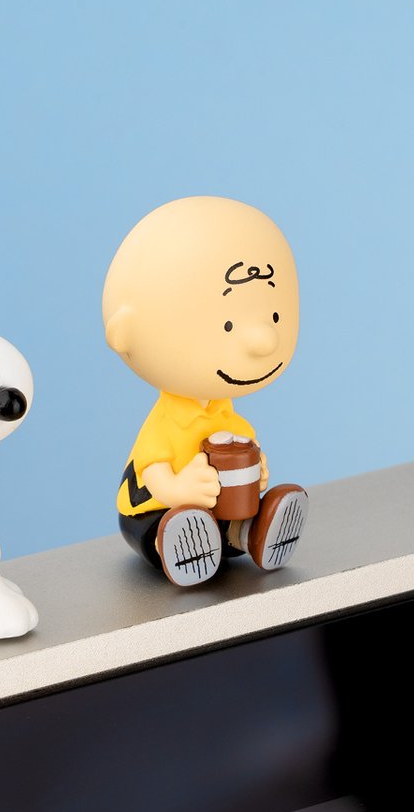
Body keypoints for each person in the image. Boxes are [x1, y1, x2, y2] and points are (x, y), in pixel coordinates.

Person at [102, 196, 308, 586]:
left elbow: (246, 454)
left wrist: (256, 474)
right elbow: (154, 473)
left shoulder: (229, 418)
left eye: (275, 316)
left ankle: (251, 533)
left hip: (218, 508)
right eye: (227, 325)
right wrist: (180, 489)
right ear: (126, 333)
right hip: (154, 509)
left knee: (237, 514)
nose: (265, 340)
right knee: (162, 523)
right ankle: (177, 546)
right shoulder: (165, 424)